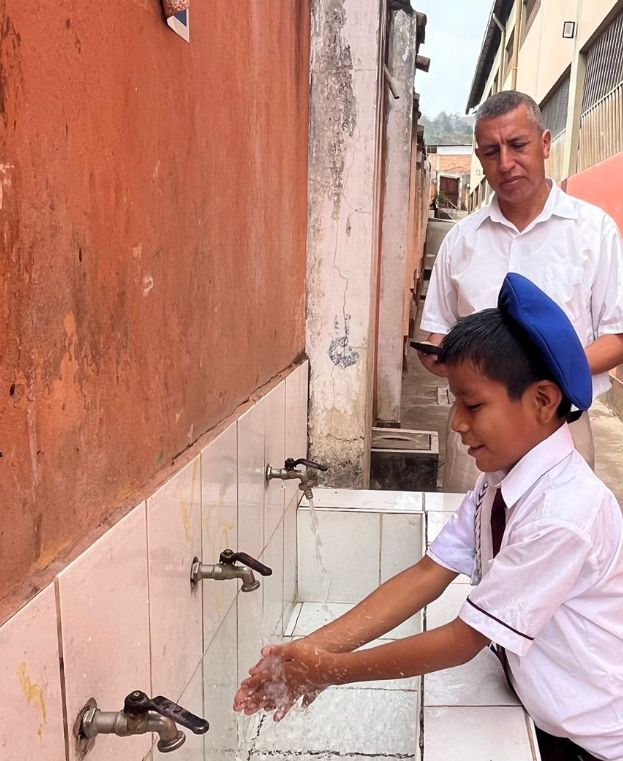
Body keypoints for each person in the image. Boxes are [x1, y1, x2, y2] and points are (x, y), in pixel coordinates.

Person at [234, 274, 623, 761]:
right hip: (544, 712)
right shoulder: (502, 477)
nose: (457, 422)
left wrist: (330, 671)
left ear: (542, 401)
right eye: (455, 401)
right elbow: (426, 574)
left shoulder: (562, 515)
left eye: (473, 404)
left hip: (592, 742)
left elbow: (462, 640)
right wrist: (306, 653)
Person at [418, 90, 623, 493]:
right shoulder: (461, 240)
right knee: (468, 532)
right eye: (491, 152)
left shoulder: (593, 231)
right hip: (475, 439)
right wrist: (441, 356)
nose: (506, 163)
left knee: (560, 532)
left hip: (561, 431)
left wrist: (547, 369)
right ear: (480, 158)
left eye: (518, 145)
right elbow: (438, 331)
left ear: (545, 144)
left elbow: (617, 336)